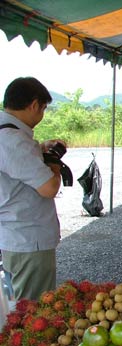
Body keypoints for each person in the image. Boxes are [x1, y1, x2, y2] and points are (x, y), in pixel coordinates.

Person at [0, 77, 63, 301]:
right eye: (43, 108)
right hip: (28, 240)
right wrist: (53, 162)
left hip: (14, 237)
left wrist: (39, 149)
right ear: (34, 105)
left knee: (19, 306)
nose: (41, 115)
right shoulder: (13, 140)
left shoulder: (6, 134)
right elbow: (49, 188)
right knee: (33, 313)